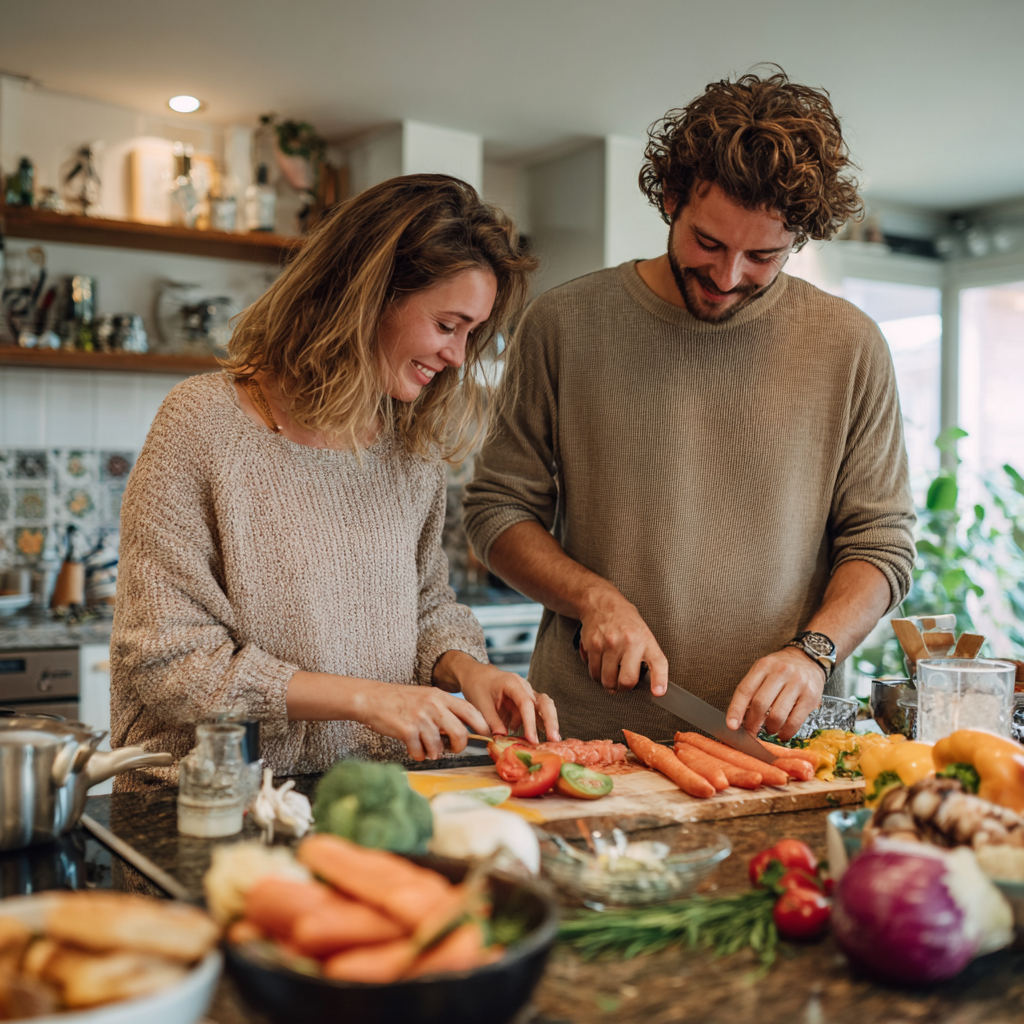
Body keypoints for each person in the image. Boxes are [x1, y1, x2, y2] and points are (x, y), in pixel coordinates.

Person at [463, 70, 916, 744]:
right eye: (708, 242)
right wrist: (593, 597)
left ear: (801, 237)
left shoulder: (850, 346)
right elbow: (496, 512)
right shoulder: (565, 323)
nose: (728, 277)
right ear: (672, 197)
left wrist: (814, 651)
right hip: (590, 740)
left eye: (762, 256)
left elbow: (881, 545)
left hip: (777, 748)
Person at [111, 174, 559, 788]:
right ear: (368, 297)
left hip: (369, 796)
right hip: (213, 805)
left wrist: (464, 668)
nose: (458, 356)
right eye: (448, 325)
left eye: (471, 335)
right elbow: (165, 663)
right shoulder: (203, 425)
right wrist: (366, 698)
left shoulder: (410, 449)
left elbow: (426, 605)